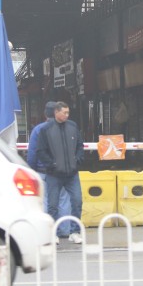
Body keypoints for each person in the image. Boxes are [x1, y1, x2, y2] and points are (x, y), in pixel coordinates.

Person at [36, 101, 85, 244]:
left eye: (68, 113)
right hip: (54, 174)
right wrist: (52, 165)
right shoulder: (46, 129)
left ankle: (75, 232)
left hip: (72, 173)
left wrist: (78, 160)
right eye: (64, 112)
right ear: (56, 112)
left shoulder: (72, 127)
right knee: (52, 205)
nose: (67, 115)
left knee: (77, 201)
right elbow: (40, 151)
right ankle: (52, 233)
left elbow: (79, 145)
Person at [26, 101, 73, 240]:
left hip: (44, 171)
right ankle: (64, 230)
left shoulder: (39, 129)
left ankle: (49, 231)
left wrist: (32, 169)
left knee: (47, 200)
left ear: (45, 114)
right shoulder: (68, 127)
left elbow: (33, 153)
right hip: (64, 171)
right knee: (64, 199)